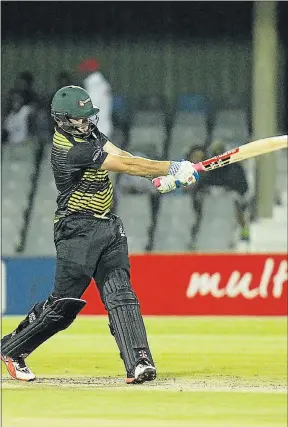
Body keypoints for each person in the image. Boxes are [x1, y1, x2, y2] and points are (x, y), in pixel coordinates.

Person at [1, 85, 199, 384]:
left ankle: (138, 363)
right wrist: (172, 166)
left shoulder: (91, 135)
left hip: (108, 226)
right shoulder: (70, 148)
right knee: (63, 305)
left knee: (122, 296)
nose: (85, 123)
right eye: (78, 119)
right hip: (76, 229)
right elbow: (126, 165)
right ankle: (10, 348)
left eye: (87, 117)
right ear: (62, 120)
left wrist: (161, 176)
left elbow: (123, 155)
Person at [186, 142, 250, 247]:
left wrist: (227, 189)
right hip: (210, 195)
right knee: (198, 200)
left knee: (237, 202)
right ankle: (196, 230)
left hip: (231, 195)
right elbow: (202, 183)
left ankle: (244, 230)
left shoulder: (236, 167)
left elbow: (243, 186)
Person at [78, 58, 113, 138]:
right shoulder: (100, 83)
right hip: (101, 127)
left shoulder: (95, 85)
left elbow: (91, 107)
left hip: (97, 129)